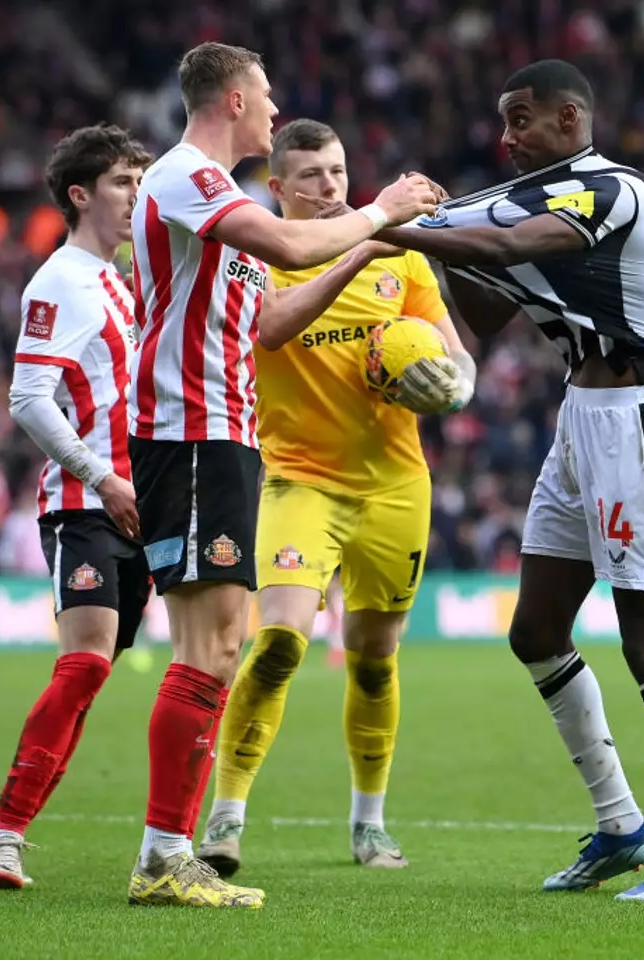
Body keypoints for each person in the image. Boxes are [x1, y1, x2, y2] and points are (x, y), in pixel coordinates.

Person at [376, 59, 644, 901]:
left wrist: (393, 228)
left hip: (639, 414)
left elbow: (503, 243)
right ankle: (621, 826)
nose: (506, 137)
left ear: (570, 117)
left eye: (520, 119)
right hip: (580, 420)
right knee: (534, 630)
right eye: (503, 121)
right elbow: (485, 310)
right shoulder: (532, 200)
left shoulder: (607, 190)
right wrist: (432, 253)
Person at [125, 41, 437, 909]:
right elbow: (288, 249)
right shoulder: (189, 175)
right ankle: (164, 854)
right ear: (231, 101)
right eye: (263, 98)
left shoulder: (205, 187)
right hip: (191, 429)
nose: (271, 110)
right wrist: (381, 213)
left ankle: (173, 850)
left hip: (222, 435)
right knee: (213, 649)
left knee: (218, 651)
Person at [194, 118, 476, 876]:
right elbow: (272, 334)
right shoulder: (258, 257)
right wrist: (361, 248)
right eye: (312, 176)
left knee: (374, 661)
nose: (330, 187)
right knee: (280, 642)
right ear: (276, 188)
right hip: (298, 480)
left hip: (395, 485)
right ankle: (225, 819)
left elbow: (457, 358)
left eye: (339, 171)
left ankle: (369, 825)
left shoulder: (404, 260)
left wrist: (447, 387)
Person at [0, 123, 152, 889]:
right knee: (80, 667)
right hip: (86, 502)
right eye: (121, 184)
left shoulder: (118, 279)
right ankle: (3, 837)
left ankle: (167, 842)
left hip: (142, 508)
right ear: (80, 196)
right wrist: (100, 476)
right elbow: (27, 397)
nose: (135, 197)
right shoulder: (60, 281)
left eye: (141, 184)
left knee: (98, 672)